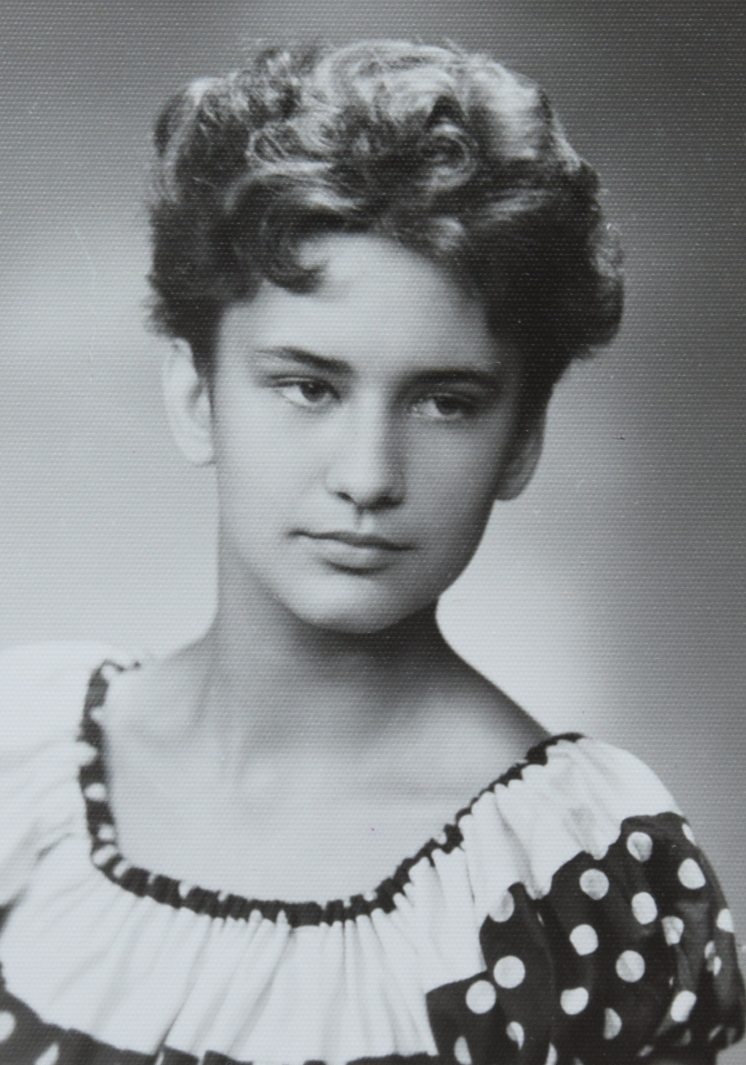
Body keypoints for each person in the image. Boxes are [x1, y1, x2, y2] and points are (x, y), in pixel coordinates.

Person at [0, 39, 742, 1065]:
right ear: (194, 394)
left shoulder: (579, 879)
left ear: (521, 439)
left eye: (445, 402)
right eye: (308, 386)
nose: (368, 475)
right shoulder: (16, 766)